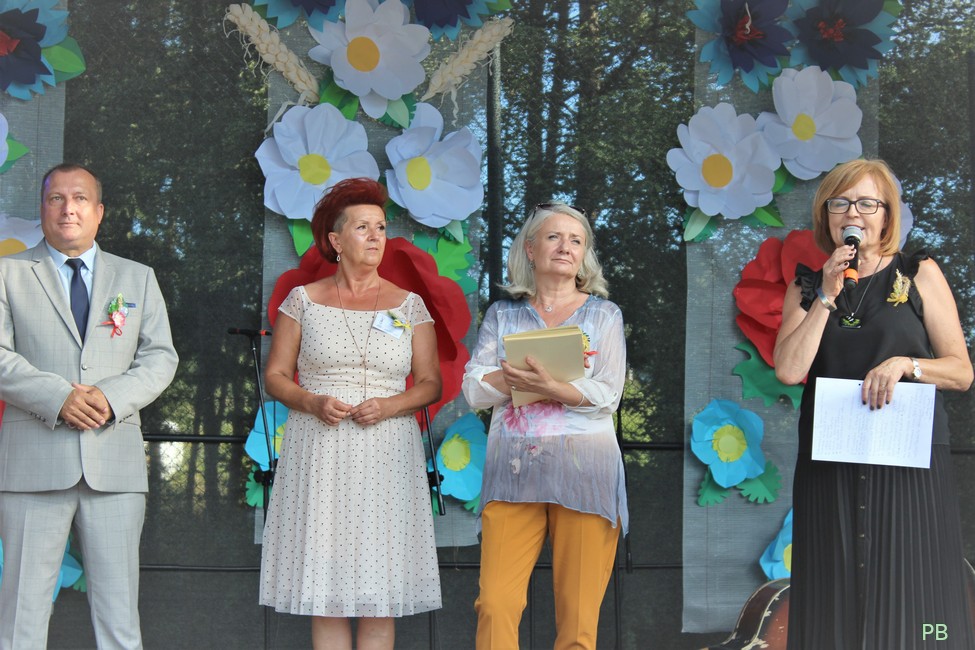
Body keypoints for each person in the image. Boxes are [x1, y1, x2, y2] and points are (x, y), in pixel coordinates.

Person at [773, 159, 975, 649]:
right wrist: (825, 296)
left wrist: (908, 364)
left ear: (887, 215)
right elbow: (790, 370)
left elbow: (961, 371)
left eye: (867, 203)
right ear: (826, 216)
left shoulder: (918, 272)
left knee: (914, 595)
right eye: (840, 203)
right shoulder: (806, 286)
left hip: (908, 463)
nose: (853, 213)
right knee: (832, 595)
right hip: (831, 464)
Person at [0, 163, 179, 649]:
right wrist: (58, 398)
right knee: (21, 615)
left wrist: (109, 397)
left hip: (114, 465)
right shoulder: (7, 272)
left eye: (79, 198)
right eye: (56, 198)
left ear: (99, 212)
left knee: (119, 616)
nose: (68, 209)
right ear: (42, 209)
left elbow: (160, 357)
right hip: (32, 464)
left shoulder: (137, 278)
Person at [259, 177, 442, 650]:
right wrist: (312, 401)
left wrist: (390, 405)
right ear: (336, 241)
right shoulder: (303, 301)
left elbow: (431, 383)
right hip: (320, 449)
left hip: (387, 453)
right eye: (363, 227)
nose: (376, 236)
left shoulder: (409, 306)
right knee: (329, 592)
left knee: (379, 593)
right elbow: (275, 376)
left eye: (381, 227)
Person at [462, 202, 628, 649]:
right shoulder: (502, 315)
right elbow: (474, 390)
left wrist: (553, 386)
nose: (565, 247)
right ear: (530, 249)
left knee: (578, 619)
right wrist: (516, 378)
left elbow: (608, 395)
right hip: (513, 474)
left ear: (584, 255)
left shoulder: (604, 315)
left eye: (576, 240)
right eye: (554, 237)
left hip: (586, 473)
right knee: (495, 603)